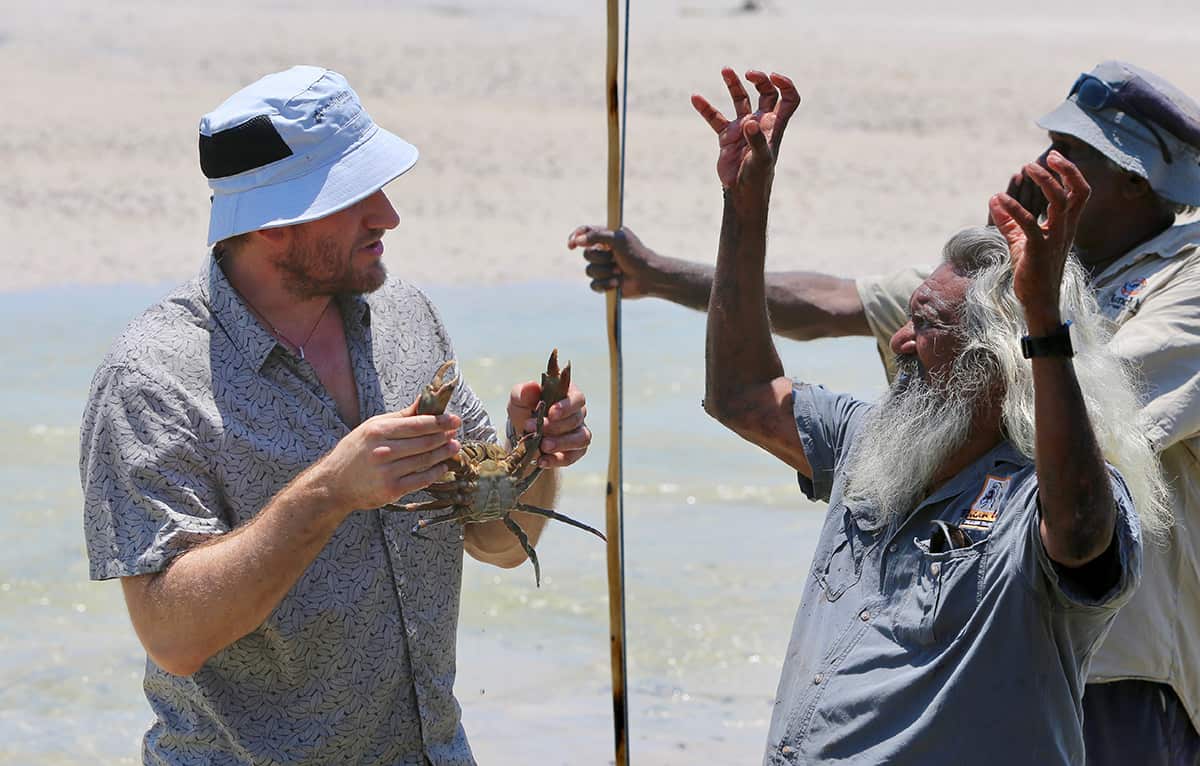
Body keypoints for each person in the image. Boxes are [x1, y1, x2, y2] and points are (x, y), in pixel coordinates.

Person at [570, 60, 1200, 763]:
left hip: (1125, 675)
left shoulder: (1171, 287)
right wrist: (736, 213)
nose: (1043, 163)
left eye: (1072, 154)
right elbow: (781, 359)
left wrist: (1043, 317)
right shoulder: (883, 431)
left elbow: (1087, 489)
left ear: (1139, 181)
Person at [79, 66, 592, 765]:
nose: (388, 214)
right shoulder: (152, 380)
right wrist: (329, 493)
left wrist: (526, 460)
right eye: (355, 195)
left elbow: (499, 545)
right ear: (271, 227)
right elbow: (173, 636)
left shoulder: (404, 318)